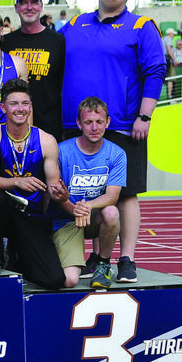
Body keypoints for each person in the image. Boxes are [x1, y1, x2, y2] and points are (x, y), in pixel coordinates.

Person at [59, 0, 165, 283]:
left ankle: (127, 258)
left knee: (126, 194)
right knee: (80, 190)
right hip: (72, 124)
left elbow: (155, 71)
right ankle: (95, 255)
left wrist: (144, 116)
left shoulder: (142, 26)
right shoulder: (74, 24)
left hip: (120, 125)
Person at [0, 78, 63, 286]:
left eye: (25, 103)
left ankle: (18, 256)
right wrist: (18, 181)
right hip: (2, 212)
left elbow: (53, 188)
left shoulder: (46, 140)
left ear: (31, 107)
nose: (20, 109)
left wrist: (61, 194)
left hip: (31, 216)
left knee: (53, 279)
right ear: (3, 108)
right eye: (14, 104)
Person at [48, 97, 125, 289]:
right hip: (66, 219)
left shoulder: (117, 154)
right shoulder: (61, 151)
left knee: (112, 212)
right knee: (70, 280)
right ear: (79, 123)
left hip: (92, 216)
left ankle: (103, 264)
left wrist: (86, 206)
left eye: (99, 122)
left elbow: (112, 196)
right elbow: (55, 195)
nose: (94, 127)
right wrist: (75, 210)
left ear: (107, 122)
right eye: (88, 122)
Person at [3, 0, 66, 139]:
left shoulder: (57, 40)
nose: (29, 7)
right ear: (16, 8)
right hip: (14, 123)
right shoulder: (6, 42)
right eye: (24, 3)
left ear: (41, 6)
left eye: (34, 2)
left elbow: (62, 83)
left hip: (49, 121)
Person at [162, 27, 177, 98]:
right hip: (167, 59)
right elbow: (169, 49)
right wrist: (174, 59)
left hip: (161, 59)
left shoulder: (162, 39)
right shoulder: (168, 39)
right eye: (173, 34)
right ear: (170, 34)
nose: (173, 36)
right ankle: (169, 94)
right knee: (170, 77)